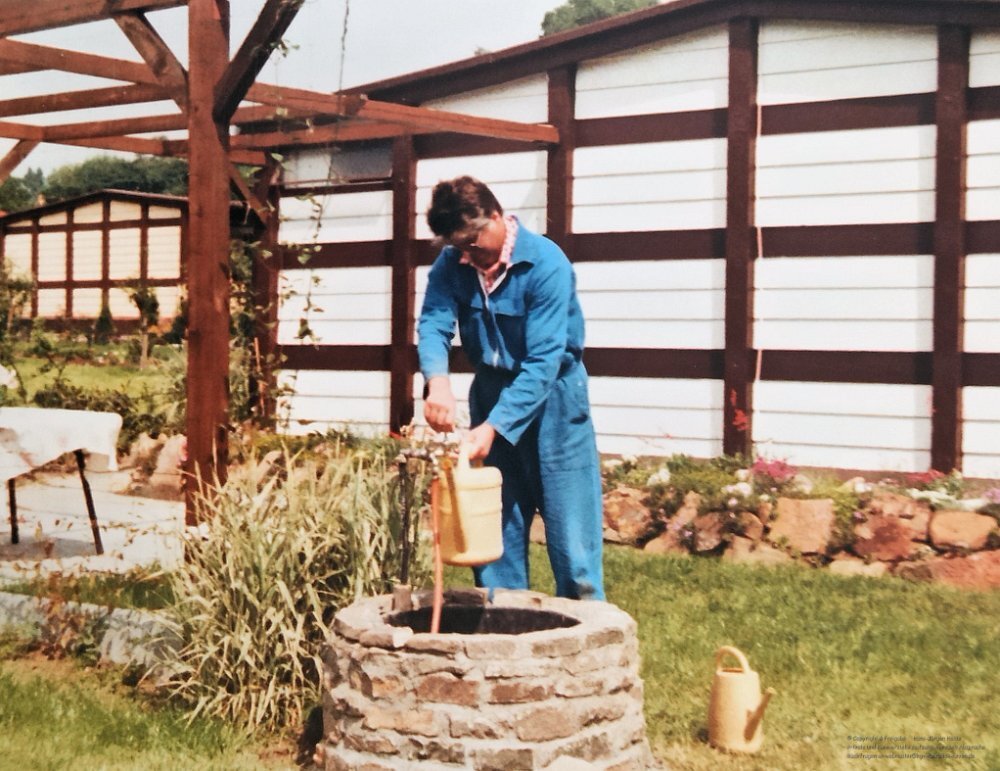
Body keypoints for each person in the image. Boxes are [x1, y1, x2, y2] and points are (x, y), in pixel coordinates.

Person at [417, 175, 604, 601]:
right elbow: (433, 323)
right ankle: (503, 631)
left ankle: (589, 635)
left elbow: (543, 362)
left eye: (472, 242)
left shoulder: (547, 264)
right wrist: (438, 383)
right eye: (458, 247)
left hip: (555, 399)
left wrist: (495, 426)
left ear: (496, 216)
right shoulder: (452, 263)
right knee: (493, 538)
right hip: (490, 392)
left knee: (573, 547)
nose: (468, 254)